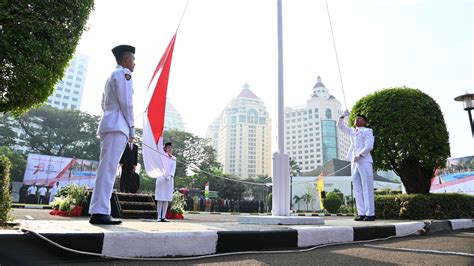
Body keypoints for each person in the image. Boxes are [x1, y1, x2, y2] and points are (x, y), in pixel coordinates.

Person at [89, 44, 136, 225]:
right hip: (118, 125)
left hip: (110, 122)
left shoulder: (111, 76)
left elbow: (103, 102)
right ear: (125, 59)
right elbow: (127, 103)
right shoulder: (124, 74)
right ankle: (100, 211)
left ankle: (99, 210)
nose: (134, 63)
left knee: (106, 168)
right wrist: (131, 127)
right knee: (108, 169)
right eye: (133, 59)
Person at [337, 112, 375, 221]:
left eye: (360, 119)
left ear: (364, 121)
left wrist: (360, 155)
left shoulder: (367, 131)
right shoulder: (352, 131)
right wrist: (342, 116)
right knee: (357, 188)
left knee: (367, 187)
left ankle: (370, 213)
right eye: (356, 118)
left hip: (364, 160)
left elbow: (369, 146)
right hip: (354, 161)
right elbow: (340, 126)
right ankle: (361, 213)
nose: (357, 120)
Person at [155, 142, 176, 222]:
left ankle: (163, 216)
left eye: (171, 147)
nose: (170, 149)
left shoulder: (174, 158)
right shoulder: (161, 156)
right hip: (161, 178)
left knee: (166, 198)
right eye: (168, 147)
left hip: (169, 180)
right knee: (160, 198)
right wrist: (163, 175)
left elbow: (173, 168)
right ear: (165, 148)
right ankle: (158, 216)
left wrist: (170, 176)